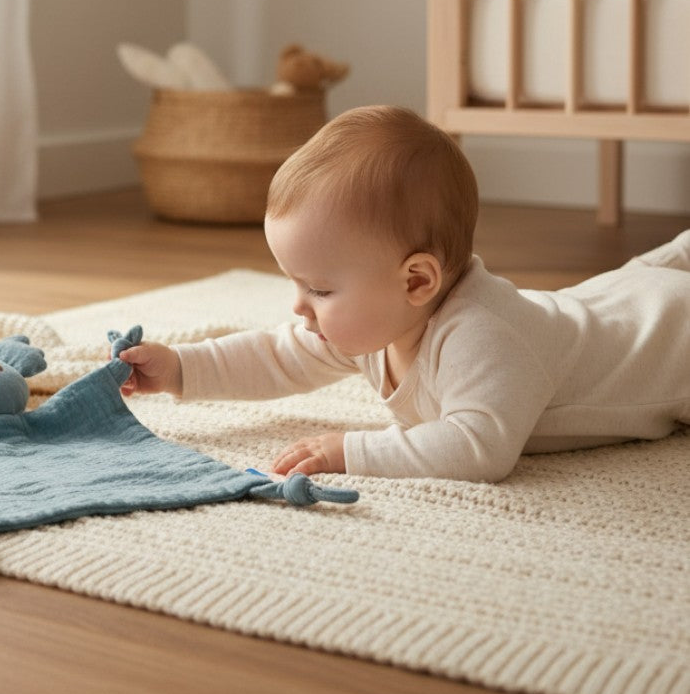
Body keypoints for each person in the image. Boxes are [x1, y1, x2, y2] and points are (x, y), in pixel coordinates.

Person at [118, 105, 690, 482]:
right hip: (612, 299)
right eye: (297, 283)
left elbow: (478, 449)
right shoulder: (375, 318)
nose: (298, 307)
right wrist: (180, 369)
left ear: (417, 280)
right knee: (628, 284)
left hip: (668, 338)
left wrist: (351, 452)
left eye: (318, 288)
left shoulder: (484, 336)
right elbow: (277, 355)